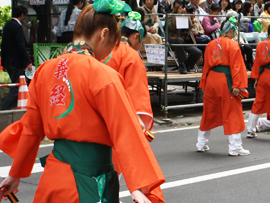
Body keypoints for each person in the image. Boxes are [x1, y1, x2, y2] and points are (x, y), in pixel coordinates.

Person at [0, 1, 165, 203]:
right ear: (103, 34)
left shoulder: (44, 71)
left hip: (53, 181)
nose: (110, 53)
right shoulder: (103, 75)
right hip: (90, 183)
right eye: (113, 45)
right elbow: (125, 132)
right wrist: (140, 188)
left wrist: (14, 175)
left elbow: (31, 130)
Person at [102, 12, 165, 202]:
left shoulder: (100, 50)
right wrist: (140, 123)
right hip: (119, 118)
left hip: (94, 117)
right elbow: (136, 93)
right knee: (120, 164)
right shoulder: (130, 54)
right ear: (136, 36)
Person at [196, 20, 250, 156]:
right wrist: (238, 85)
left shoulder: (210, 44)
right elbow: (237, 66)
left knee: (209, 111)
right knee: (233, 112)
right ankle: (235, 147)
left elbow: (206, 65)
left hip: (212, 80)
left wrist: (204, 83)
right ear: (230, 30)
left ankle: (201, 143)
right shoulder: (233, 45)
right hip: (226, 80)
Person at [0, 5, 32, 110]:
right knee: (17, 86)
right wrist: (27, 62)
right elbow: (21, 46)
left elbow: (3, 45)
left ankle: (23, 105)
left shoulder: (7, 25)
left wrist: (3, 63)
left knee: (19, 84)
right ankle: (4, 110)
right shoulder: (17, 27)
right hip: (16, 61)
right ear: (22, 15)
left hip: (8, 61)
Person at [246, 25, 270, 138]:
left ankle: (251, 130)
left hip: (264, 75)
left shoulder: (261, 44)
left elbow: (257, 63)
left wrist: (256, 78)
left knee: (258, 102)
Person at [168, 0, 202, 74]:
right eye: (178, 7)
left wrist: (186, 16)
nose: (180, 8)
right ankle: (181, 64)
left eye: (181, 6)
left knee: (198, 52)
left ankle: (187, 65)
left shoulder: (184, 14)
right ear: (174, 7)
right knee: (179, 40)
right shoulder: (170, 16)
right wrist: (177, 15)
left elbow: (189, 27)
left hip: (185, 41)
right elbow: (171, 27)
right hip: (174, 40)